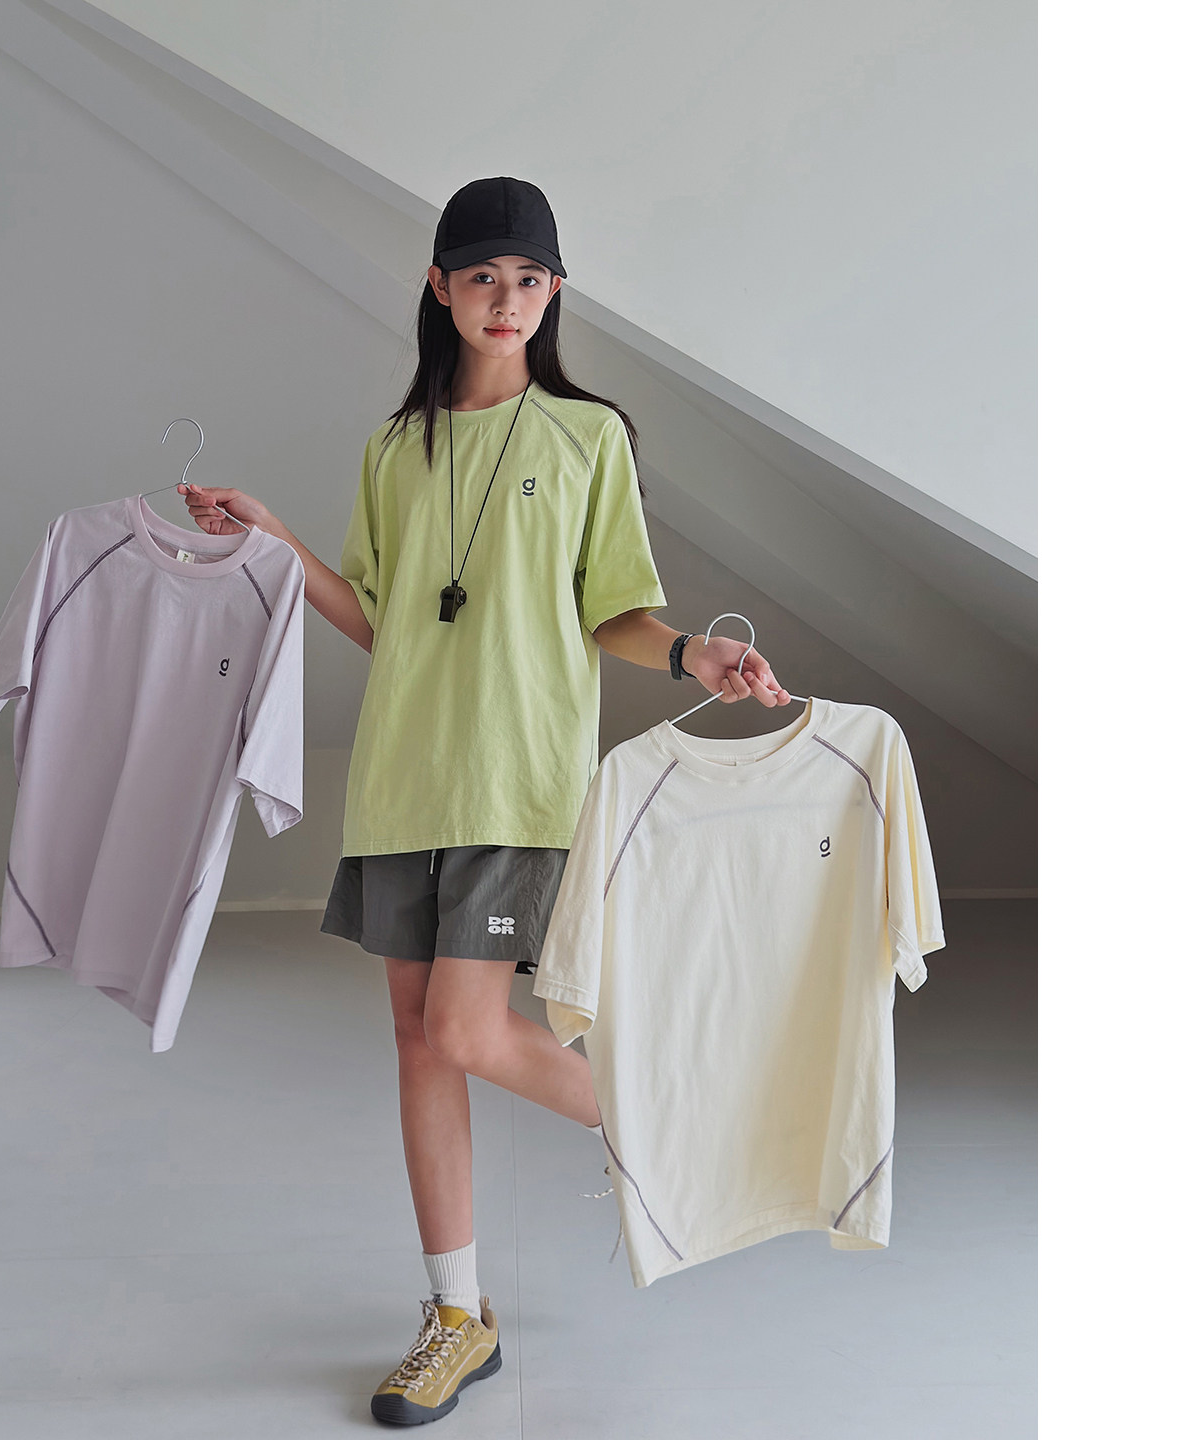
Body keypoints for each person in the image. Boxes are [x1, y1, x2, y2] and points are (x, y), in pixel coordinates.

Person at [179, 176, 791, 1427]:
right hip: (403, 780)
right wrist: (273, 536)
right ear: (440, 288)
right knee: (419, 1044)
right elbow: (382, 618)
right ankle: (456, 1316)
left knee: (465, 1031)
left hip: (518, 779)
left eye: (528, 280)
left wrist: (693, 654)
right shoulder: (394, 448)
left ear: (553, 292)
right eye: (482, 278)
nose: (506, 301)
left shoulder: (587, 436)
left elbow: (612, 606)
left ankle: (680, 1130)